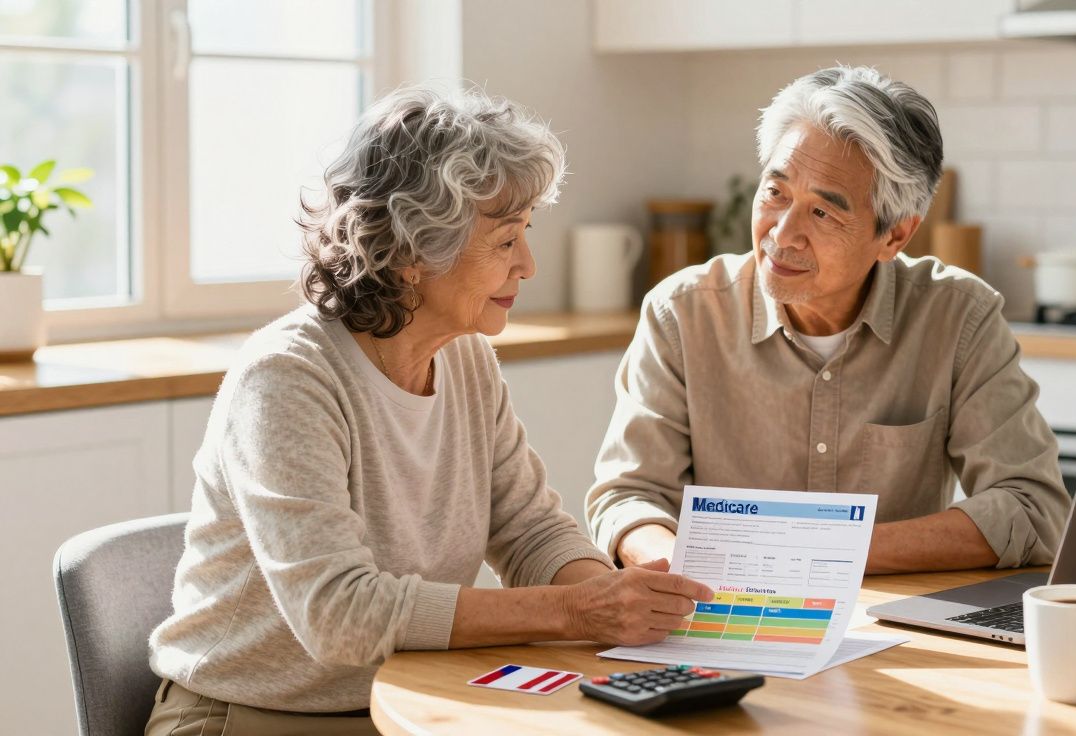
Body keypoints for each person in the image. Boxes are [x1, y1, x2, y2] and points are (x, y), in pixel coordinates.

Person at [145, 86, 711, 735]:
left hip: (405, 696)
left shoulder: (467, 359)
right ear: (414, 251)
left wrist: (628, 606)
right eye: (505, 241)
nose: (528, 264)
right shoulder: (286, 378)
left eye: (526, 233)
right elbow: (341, 614)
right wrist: (575, 612)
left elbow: (530, 531)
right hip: (250, 716)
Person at [586, 66, 1071, 576]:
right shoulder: (682, 313)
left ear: (895, 237)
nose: (783, 233)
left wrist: (821, 557)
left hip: (899, 626)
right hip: (725, 611)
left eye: (823, 213)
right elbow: (629, 497)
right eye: (776, 193)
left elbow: (1031, 508)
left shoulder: (960, 319)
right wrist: (665, 563)